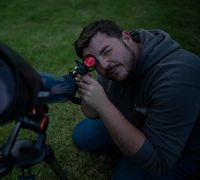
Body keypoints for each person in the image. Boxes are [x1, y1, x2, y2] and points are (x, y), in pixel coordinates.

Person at [72, 20, 200, 179]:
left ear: (126, 38)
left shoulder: (176, 77)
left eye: (106, 51)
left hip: (180, 150)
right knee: (82, 135)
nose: (104, 65)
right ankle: (132, 144)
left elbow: (158, 163)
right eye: (95, 63)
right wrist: (86, 89)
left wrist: (103, 105)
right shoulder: (119, 63)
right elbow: (91, 114)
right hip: (139, 122)